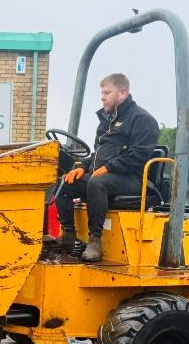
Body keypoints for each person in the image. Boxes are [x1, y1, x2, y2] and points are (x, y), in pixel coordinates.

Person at [55, 73, 160, 262]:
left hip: (132, 179)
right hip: (104, 176)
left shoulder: (142, 119)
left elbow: (138, 155)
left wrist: (108, 168)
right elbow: (98, 153)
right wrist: (83, 167)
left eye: (107, 93)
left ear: (122, 93)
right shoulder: (106, 121)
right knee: (64, 183)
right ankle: (68, 235)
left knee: (97, 183)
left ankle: (95, 241)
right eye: (102, 93)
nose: (102, 97)